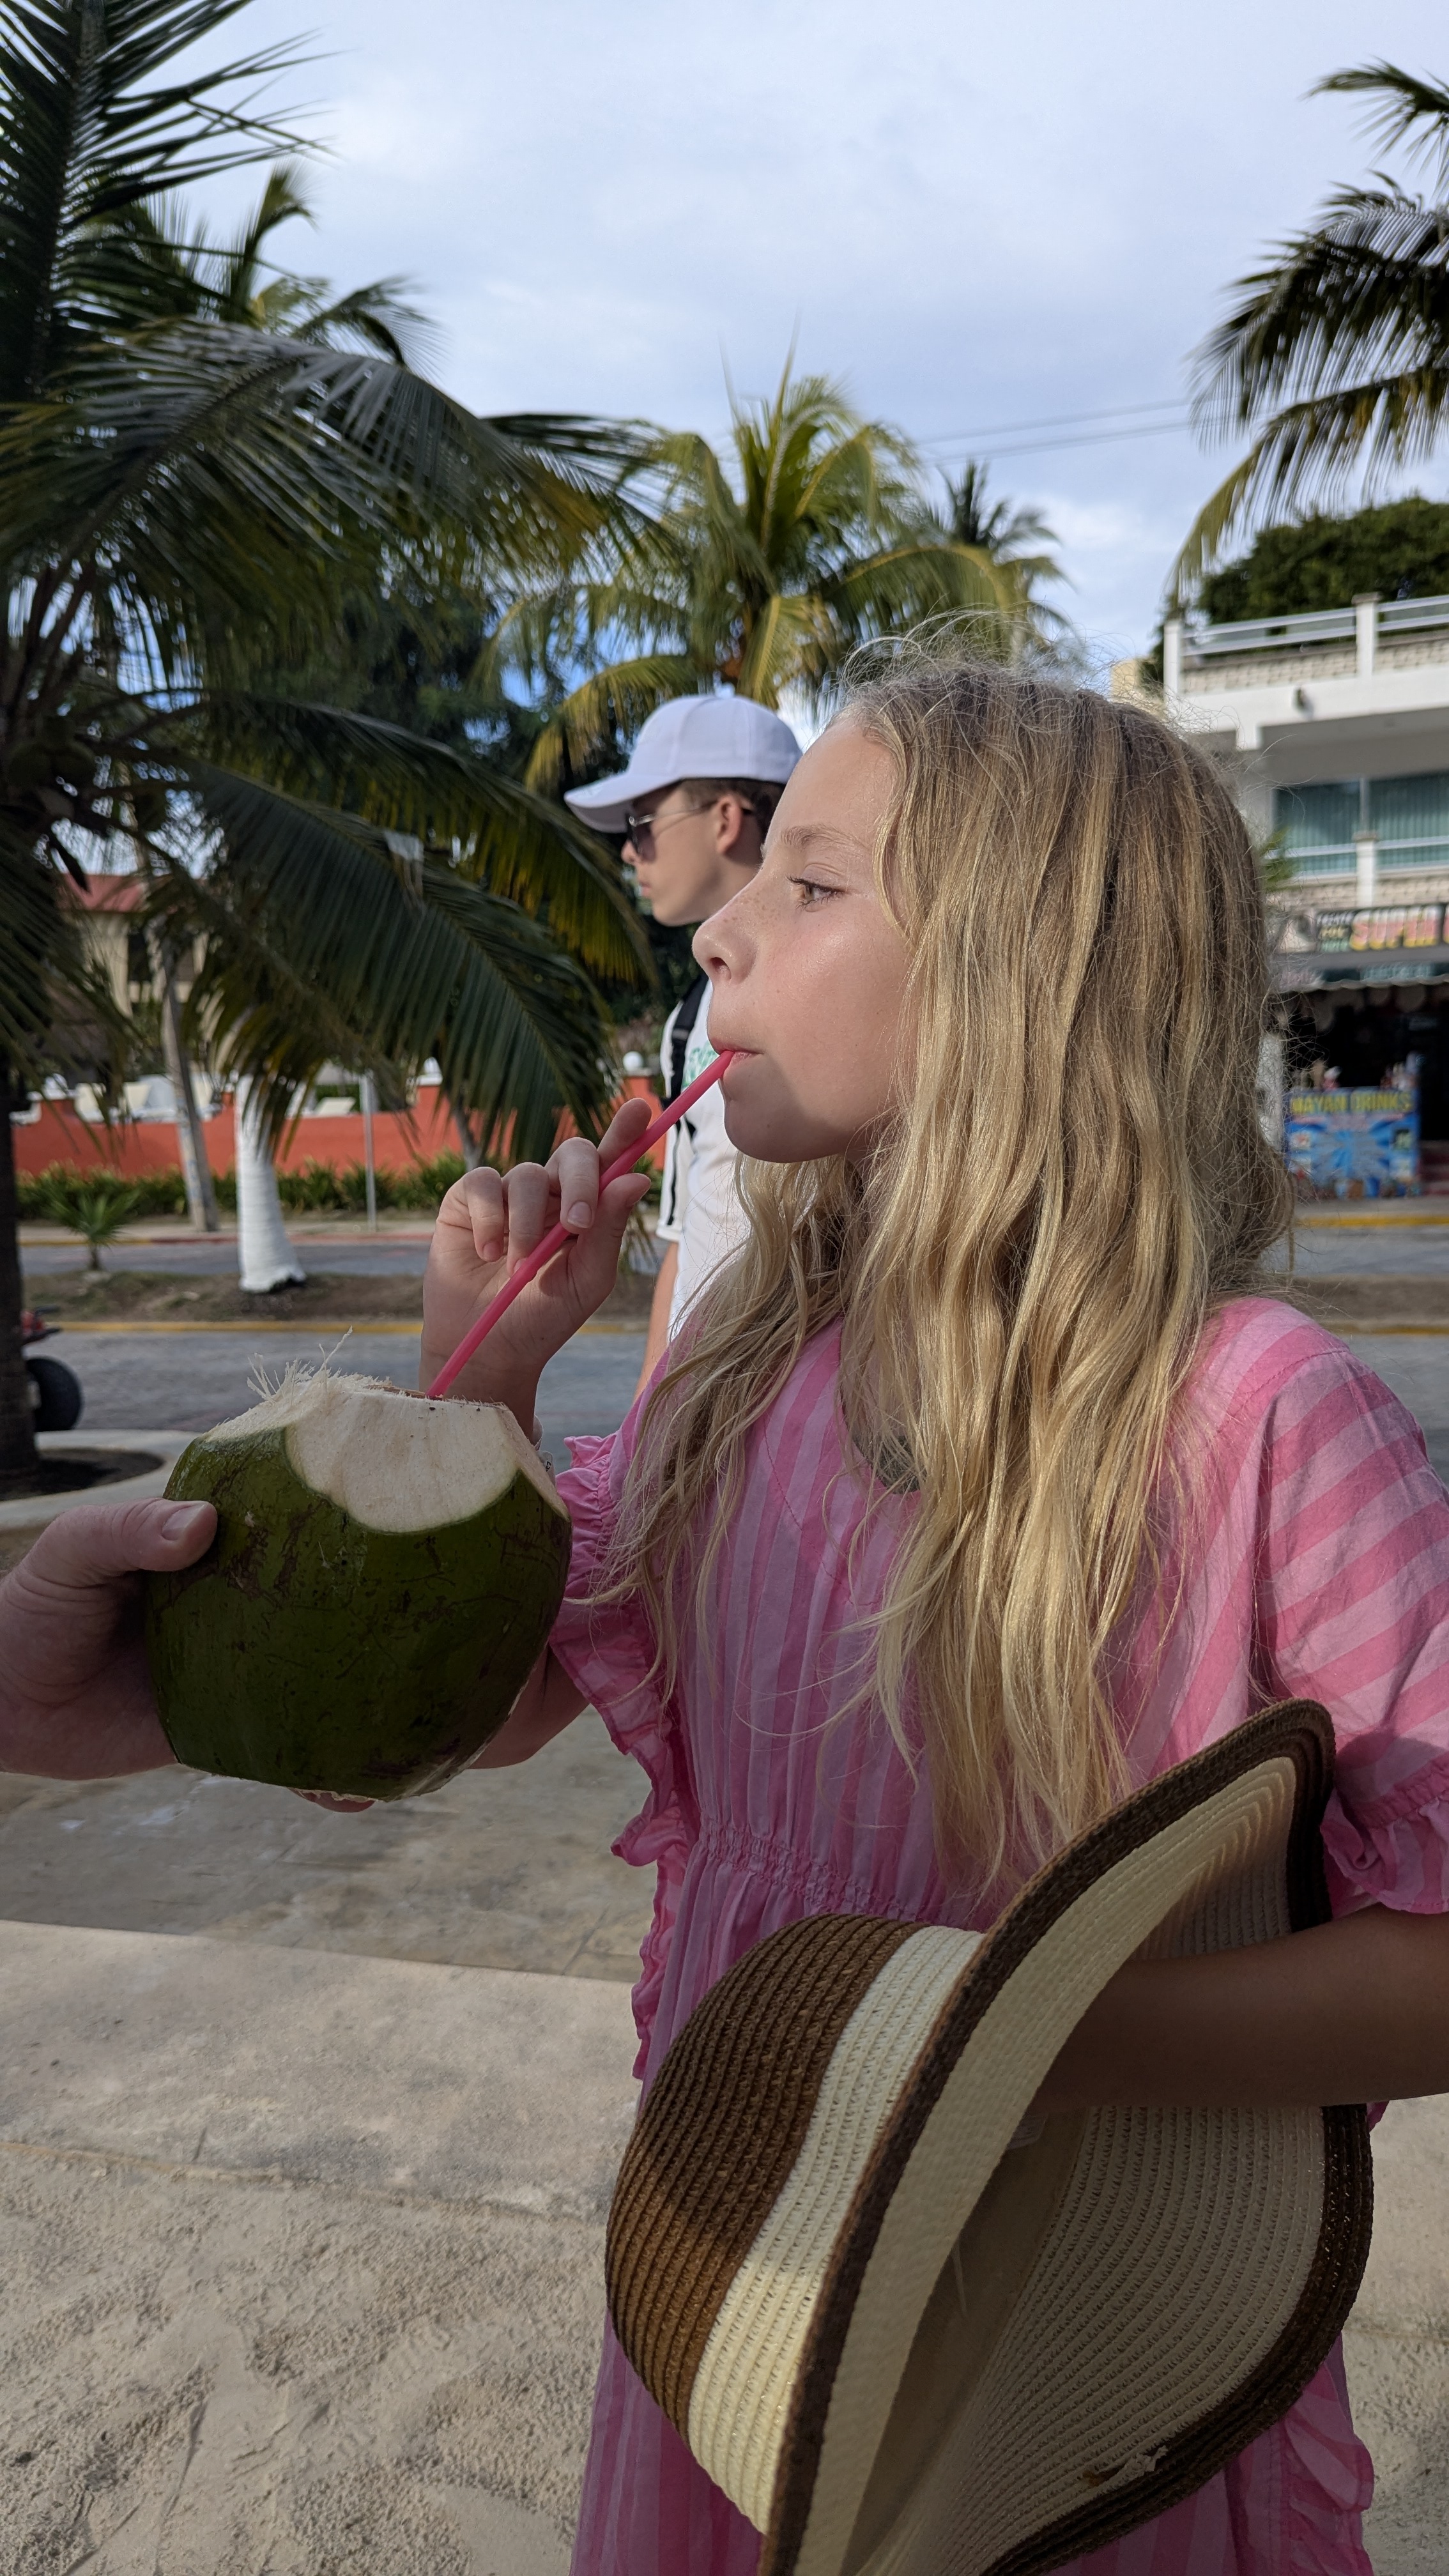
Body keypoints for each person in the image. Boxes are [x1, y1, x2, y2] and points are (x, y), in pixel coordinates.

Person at [10, 659, 1449, 2576]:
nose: (723, 937)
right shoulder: (736, 1379)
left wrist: (987, 2048)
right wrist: (482, 1376)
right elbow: (461, 1723)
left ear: (1028, 975)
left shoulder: (1262, 1418)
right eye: (749, 879)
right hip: (750, 2281)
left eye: (815, 884)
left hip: (1076, 2326)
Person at [564, 694, 799, 1390]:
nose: (629, 850)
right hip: (697, 1404)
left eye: (641, 825)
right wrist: (647, 1416)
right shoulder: (688, 1018)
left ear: (725, 819)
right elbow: (684, 1231)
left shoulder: (834, 993)